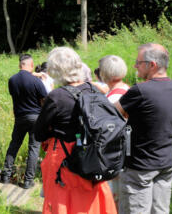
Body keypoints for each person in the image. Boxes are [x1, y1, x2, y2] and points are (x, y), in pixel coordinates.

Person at [35, 47, 116, 213]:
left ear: (55, 70)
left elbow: (39, 132)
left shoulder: (57, 96)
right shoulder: (95, 90)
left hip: (64, 158)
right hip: (93, 157)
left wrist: (53, 130)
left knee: (63, 202)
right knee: (89, 203)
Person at [114, 43, 172, 214]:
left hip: (140, 166)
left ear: (152, 65)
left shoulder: (141, 90)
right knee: (160, 211)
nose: (135, 66)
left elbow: (113, 112)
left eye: (138, 62)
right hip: (167, 163)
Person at [0, 54, 47, 189]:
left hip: (19, 117)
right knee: (33, 148)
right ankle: (28, 181)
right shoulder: (36, 81)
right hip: (35, 118)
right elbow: (44, 100)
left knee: (14, 145)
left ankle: (5, 176)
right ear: (31, 65)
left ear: (20, 64)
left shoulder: (12, 80)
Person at [97, 55, 130, 209]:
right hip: (122, 151)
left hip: (114, 153)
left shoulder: (115, 97)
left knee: (113, 198)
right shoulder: (126, 89)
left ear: (105, 73)